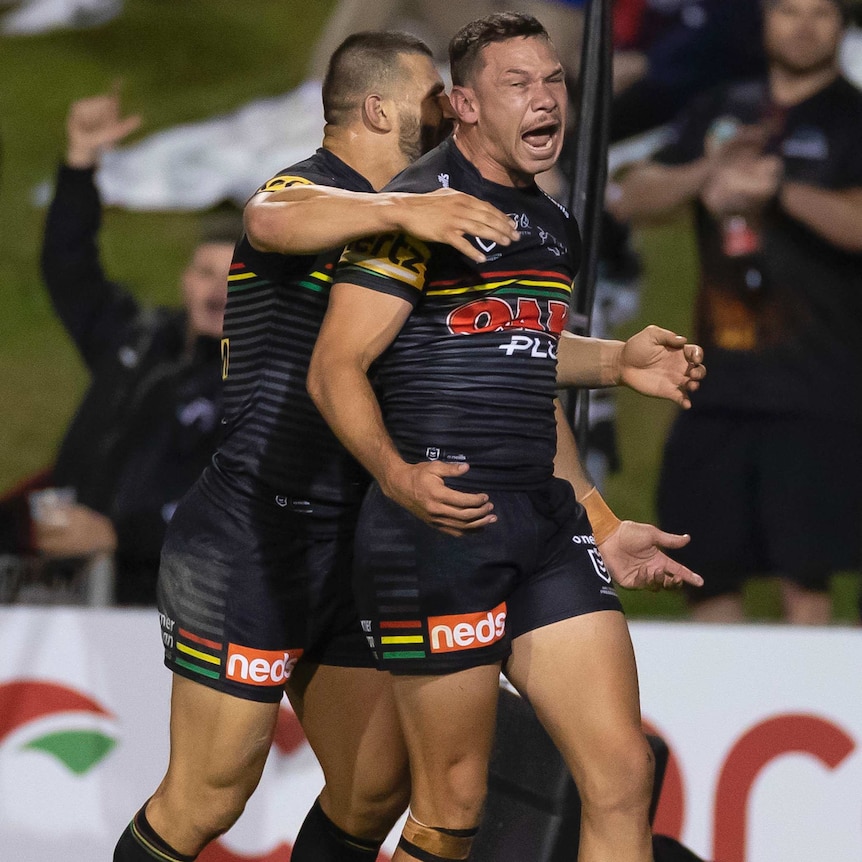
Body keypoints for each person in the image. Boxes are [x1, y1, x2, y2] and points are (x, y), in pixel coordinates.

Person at [114, 26, 706, 862]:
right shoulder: (324, 193)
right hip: (258, 532)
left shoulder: (450, 216)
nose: (447, 112)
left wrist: (610, 375)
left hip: (362, 528)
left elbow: (508, 361)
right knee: (210, 795)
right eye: (434, 97)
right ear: (377, 106)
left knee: (375, 789)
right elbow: (268, 217)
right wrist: (400, 206)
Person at [308, 13, 704, 862]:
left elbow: (519, 362)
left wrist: (617, 367)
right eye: (518, 85)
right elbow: (334, 367)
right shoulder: (414, 212)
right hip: (440, 527)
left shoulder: (549, 220)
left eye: (554, 80)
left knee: (623, 774)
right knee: (450, 809)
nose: (546, 101)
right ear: (464, 106)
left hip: (542, 523)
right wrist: (395, 476)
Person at [607, 0, 862, 623]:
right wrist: (707, 173)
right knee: (706, 568)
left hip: (817, 389)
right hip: (714, 387)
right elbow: (634, 194)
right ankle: (718, 712)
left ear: (843, 25)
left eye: (821, 14)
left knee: (806, 581)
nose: (804, 26)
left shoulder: (853, 118)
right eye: (789, 11)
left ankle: (811, 713)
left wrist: (778, 190)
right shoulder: (721, 108)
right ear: (764, 19)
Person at [0, 91, 235, 605]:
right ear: (185, 280)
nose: (216, 289)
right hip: (61, 583)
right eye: (205, 273)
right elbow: (70, 269)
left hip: (151, 605)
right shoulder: (139, 338)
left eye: (235, 277)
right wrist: (81, 163)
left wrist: (119, 538)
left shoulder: (259, 385)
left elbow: (238, 511)